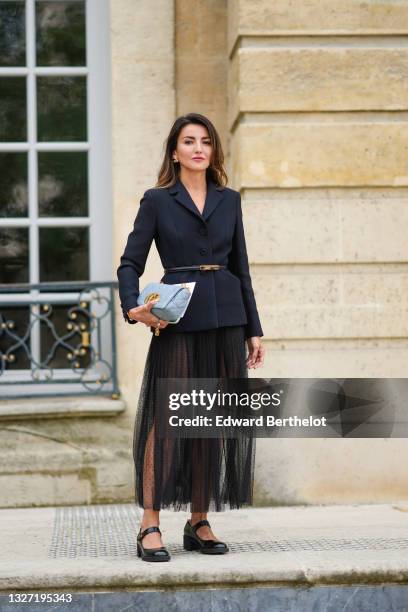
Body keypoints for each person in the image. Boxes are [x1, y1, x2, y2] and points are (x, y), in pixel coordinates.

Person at [117, 112, 265, 562]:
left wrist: (254, 329)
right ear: (175, 151)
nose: (198, 148)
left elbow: (241, 266)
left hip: (228, 318)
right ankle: (150, 523)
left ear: (213, 151)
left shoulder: (230, 200)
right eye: (189, 141)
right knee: (167, 421)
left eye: (205, 141)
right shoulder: (158, 200)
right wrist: (134, 307)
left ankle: (198, 520)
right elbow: (130, 263)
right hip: (178, 320)